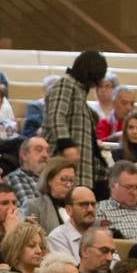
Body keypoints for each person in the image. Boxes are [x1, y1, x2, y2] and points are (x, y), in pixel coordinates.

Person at [44, 50, 108, 189]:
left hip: (81, 170)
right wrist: (67, 145)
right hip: (64, 163)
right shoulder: (66, 84)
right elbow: (56, 115)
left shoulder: (80, 93)